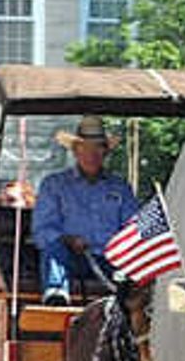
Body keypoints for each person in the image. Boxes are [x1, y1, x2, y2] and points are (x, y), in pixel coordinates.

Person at [30, 120, 138, 299]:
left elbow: (133, 226)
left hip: (111, 261)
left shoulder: (120, 188)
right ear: (75, 151)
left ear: (105, 152)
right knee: (53, 249)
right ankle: (56, 295)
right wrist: (68, 239)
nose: (92, 154)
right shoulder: (54, 185)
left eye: (98, 148)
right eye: (85, 148)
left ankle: (133, 303)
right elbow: (42, 231)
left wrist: (120, 246)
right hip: (71, 259)